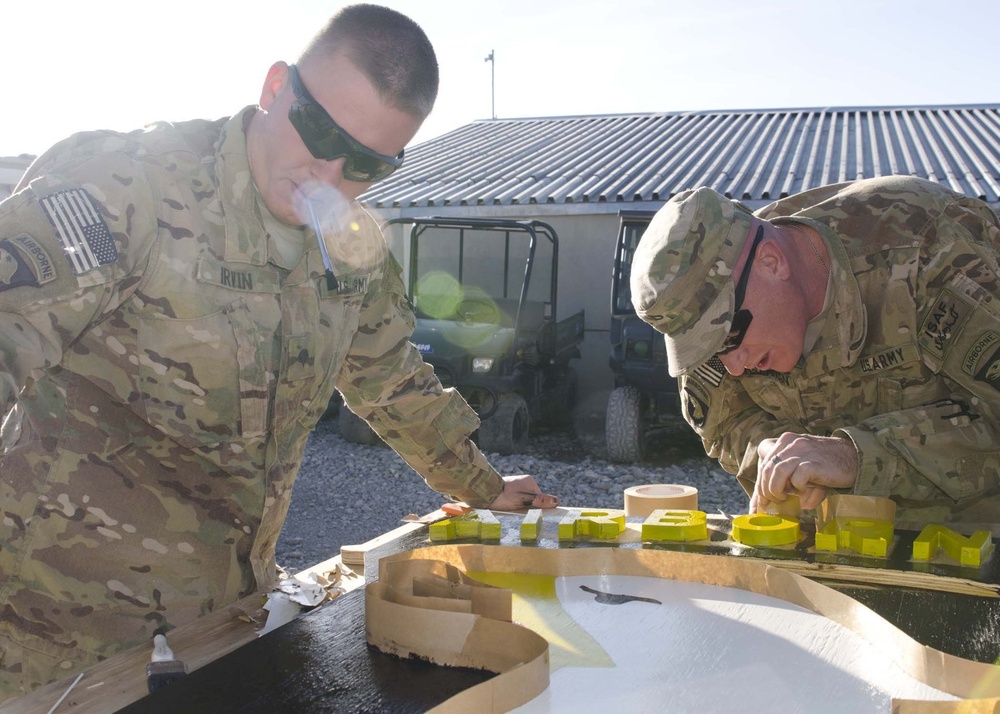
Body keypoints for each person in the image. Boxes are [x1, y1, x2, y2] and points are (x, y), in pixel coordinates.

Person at [0, 4, 556, 700]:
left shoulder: (349, 249)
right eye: (319, 132)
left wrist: (481, 487)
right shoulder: (128, 189)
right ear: (273, 89)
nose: (328, 173)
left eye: (365, 163)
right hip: (54, 637)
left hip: (226, 623)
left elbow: (391, 380)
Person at [630, 175, 1000, 526]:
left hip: (973, 540)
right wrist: (767, 448)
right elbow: (724, 425)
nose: (734, 366)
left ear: (771, 263)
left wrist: (858, 455)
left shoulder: (929, 245)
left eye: (729, 338)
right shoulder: (708, 301)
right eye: (710, 350)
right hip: (824, 541)